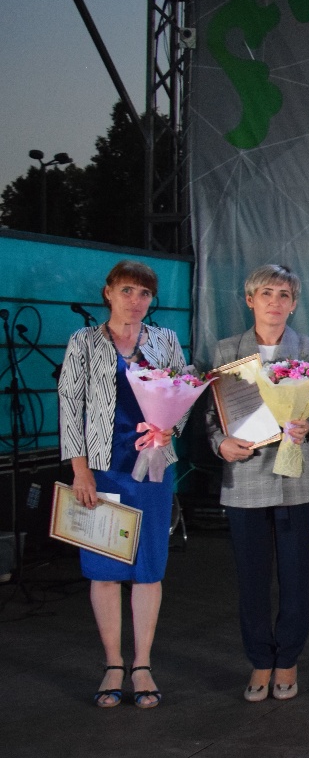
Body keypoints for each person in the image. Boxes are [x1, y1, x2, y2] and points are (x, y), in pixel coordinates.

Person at [59, 260, 188, 708]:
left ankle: (142, 665)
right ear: (108, 292)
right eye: (128, 290)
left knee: (148, 568)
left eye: (145, 293)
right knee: (105, 570)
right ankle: (114, 663)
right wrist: (79, 470)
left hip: (152, 467)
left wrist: (171, 428)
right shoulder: (83, 342)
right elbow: (70, 407)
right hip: (101, 469)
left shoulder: (166, 339)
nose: (136, 300)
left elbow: (183, 394)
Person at [206, 264, 309, 703]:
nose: (275, 302)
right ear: (249, 300)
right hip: (245, 478)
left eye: (283, 295)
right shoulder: (225, 351)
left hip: (297, 479)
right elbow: (210, 414)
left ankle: (288, 658)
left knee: (296, 578)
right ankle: (259, 659)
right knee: (252, 579)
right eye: (266, 294)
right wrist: (220, 443)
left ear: (294, 304)